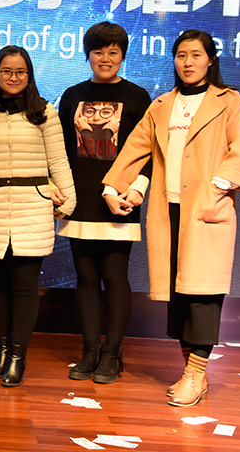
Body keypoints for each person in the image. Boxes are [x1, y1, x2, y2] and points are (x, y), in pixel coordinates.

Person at [103, 29, 240, 407]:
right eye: (181, 55)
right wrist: (112, 187)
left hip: (205, 209)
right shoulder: (162, 105)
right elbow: (136, 148)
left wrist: (217, 186)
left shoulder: (228, 101)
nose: (188, 63)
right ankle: (193, 373)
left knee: (203, 293)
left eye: (196, 55)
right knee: (178, 297)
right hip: (167, 210)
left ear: (210, 60)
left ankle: (194, 374)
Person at [0, 46, 76, 387]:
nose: (14, 77)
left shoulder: (44, 112)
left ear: (29, 75)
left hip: (32, 205)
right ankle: (2, 351)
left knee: (24, 286)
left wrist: (67, 199)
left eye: (20, 72)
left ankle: (18, 356)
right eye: (7, 71)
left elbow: (58, 159)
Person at [56, 22, 151, 384]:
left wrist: (135, 190)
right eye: (98, 51)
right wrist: (58, 191)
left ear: (123, 55)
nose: (105, 58)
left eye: (113, 52)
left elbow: (149, 151)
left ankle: (112, 353)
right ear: (88, 55)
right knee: (85, 278)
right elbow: (62, 150)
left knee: (114, 276)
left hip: (120, 200)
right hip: (80, 200)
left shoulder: (138, 97)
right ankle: (90, 351)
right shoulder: (72, 95)